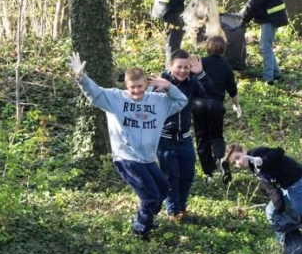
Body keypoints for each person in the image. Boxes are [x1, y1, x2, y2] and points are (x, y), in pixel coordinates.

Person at [69, 52, 188, 240]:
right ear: (126, 85)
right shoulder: (116, 99)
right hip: (127, 158)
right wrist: (81, 77)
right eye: (132, 87)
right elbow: (95, 94)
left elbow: (182, 101)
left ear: (146, 84)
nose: (136, 91)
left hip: (147, 158)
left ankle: (147, 218)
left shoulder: (158, 101)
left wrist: (168, 86)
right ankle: (140, 232)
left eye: (140, 86)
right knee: (150, 196)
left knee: (163, 189)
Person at [157, 49, 214, 222]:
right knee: (171, 176)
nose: (182, 71)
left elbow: (210, 92)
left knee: (187, 175)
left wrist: (201, 74)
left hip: (185, 137)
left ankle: (181, 208)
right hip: (165, 138)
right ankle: (174, 211)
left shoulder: (192, 82)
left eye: (186, 67)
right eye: (179, 67)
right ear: (170, 66)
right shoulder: (161, 83)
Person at [191, 36, 241, 181]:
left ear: (207, 48)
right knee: (217, 136)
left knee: (202, 138)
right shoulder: (226, 66)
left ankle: (209, 173)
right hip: (216, 105)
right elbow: (232, 90)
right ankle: (221, 160)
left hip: (198, 104)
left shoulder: (200, 63)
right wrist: (237, 105)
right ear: (224, 49)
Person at [237, 0, 288, 84]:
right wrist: (244, 11)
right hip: (272, 15)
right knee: (267, 45)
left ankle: (268, 79)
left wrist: (245, 18)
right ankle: (276, 74)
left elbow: (257, 1)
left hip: (271, 16)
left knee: (265, 46)